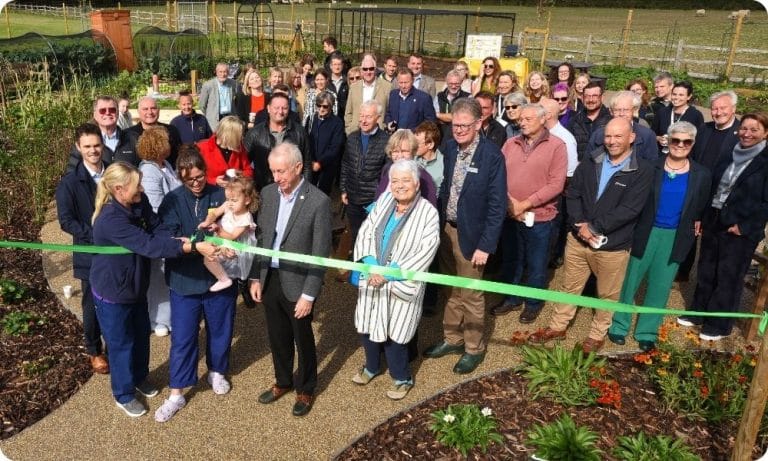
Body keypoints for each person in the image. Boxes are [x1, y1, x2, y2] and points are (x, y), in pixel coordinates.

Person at [90, 161, 217, 418]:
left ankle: (139, 377)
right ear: (118, 190)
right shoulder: (111, 219)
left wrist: (173, 239)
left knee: (140, 335)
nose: (141, 192)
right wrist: (187, 248)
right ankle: (123, 393)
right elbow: (148, 245)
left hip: (136, 285)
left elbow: (156, 226)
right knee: (121, 343)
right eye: (136, 188)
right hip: (113, 290)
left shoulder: (137, 201)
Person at [528, 118, 653, 353]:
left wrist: (594, 227)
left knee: (606, 294)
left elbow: (630, 209)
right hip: (578, 239)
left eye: (618, 136)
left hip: (612, 245)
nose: (612, 141)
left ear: (631, 138)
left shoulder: (643, 170)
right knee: (569, 286)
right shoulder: (592, 159)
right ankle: (558, 326)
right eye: (608, 136)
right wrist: (579, 226)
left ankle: (597, 335)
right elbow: (573, 194)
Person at [608, 121, 711, 352]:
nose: (680, 145)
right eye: (676, 140)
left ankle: (647, 331)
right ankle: (619, 325)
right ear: (668, 141)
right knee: (630, 281)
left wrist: (697, 223)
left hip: (675, 236)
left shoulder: (702, 175)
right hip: (646, 231)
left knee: (660, 286)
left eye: (686, 141)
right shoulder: (649, 167)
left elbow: (700, 207)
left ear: (692, 144)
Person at [154, 146, 238, 422]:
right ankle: (177, 392)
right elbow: (168, 239)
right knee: (183, 338)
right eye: (190, 179)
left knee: (221, 331)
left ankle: (217, 371)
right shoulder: (171, 201)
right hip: (184, 281)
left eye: (200, 176)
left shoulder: (220, 194)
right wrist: (196, 244)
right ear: (180, 176)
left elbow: (238, 226)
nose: (197, 182)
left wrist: (228, 242)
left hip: (219, 280)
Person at [423, 98, 506, 374]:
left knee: (470, 293)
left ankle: (473, 348)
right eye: (455, 125)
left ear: (479, 123)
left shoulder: (492, 156)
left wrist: (486, 245)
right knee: (450, 289)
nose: (458, 130)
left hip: (473, 237)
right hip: (448, 230)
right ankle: (452, 338)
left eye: (464, 126)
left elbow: (497, 206)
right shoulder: (449, 147)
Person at [249, 142, 332, 417]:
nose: (276, 178)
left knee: (303, 339)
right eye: (273, 171)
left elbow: (320, 253)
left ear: (298, 168)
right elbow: (261, 238)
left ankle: (306, 388)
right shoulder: (268, 193)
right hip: (270, 277)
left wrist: (309, 295)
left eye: (281, 172)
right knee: (277, 336)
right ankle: (282, 381)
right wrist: (255, 277)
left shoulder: (319, 201)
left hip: (298, 284)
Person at [351, 159, 440, 400]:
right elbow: (367, 230)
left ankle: (402, 377)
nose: (399, 186)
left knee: (395, 334)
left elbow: (426, 250)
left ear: (416, 183)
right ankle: (371, 366)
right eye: (395, 181)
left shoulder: (427, 213)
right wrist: (369, 264)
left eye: (405, 180)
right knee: (366, 324)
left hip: (400, 283)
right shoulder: (385, 200)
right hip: (372, 277)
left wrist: (388, 274)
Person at [678, 113, 768, 341]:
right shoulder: (731, 153)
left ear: (765, 133)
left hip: (740, 229)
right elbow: (713, 186)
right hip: (715, 219)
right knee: (707, 269)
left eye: (754, 130)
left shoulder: (765, 161)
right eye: (745, 128)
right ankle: (699, 312)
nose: (747, 133)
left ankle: (719, 324)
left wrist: (744, 226)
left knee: (729, 276)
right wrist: (702, 215)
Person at [492, 104, 567, 323]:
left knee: (536, 263)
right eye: (521, 119)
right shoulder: (510, 143)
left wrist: (524, 204)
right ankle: (512, 298)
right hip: (510, 214)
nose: (521, 122)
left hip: (540, 218)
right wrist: (509, 203)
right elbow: (498, 174)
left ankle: (533, 302)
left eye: (527, 119)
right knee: (512, 259)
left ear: (543, 120)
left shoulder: (557, 146)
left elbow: (556, 184)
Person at [56, 123, 110, 374]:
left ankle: (114, 345)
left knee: (116, 301)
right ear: (78, 147)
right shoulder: (69, 182)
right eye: (87, 146)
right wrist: (95, 234)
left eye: (97, 145)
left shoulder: (113, 173)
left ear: (103, 144)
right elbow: (67, 221)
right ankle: (93, 349)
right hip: (90, 252)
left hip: (117, 251)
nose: (93, 150)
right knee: (91, 305)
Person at [678, 91, 741, 282]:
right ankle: (682, 271)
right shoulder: (703, 129)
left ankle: (707, 279)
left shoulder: (741, 134)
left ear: (733, 109)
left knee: (711, 242)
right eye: (714, 108)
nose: (718, 112)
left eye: (723, 108)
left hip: (723, 197)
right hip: (698, 190)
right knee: (689, 231)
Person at [137, 126, 182, 337]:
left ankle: (170, 316)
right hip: (163, 231)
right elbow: (155, 206)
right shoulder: (148, 171)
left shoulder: (165, 166)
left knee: (169, 275)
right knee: (158, 277)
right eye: (166, 141)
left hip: (174, 227)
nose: (170, 145)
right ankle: (158, 319)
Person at [197, 173, 259, 292]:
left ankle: (225, 280)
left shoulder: (246, 218)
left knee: (209, 258)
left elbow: (232, 236)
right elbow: (214, 213)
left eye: (234, 200)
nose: (230, 203)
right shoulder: (228, 205)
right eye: (228, 199)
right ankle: (224, 279)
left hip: (235, 246)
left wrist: (217, 229)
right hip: (222, 239)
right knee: (208, 257)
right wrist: (207, 222)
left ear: (247, 200)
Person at [340, 100, 391, 244]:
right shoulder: (352, 138)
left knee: (371, 236)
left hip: (373, 200)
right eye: (361, 116)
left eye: (368, 116)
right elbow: (345, 164)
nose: (363, 120)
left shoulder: (386, 140)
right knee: (355, 234)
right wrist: (343, 189)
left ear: (377, 117)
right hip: (352, 197)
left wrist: (379, 196)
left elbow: (387, 173)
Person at [244, 93, 311, 191]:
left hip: (292, 188)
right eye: (276, 108)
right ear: (268, 108)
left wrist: (305, 188)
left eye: (284, 108)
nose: (280, 112)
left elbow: (307, 164)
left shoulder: (299, 132)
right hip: (263, 188)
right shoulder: (255, 133)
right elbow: (244, 162)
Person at [587, 91, 659, 162]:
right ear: (611, 112)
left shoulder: (647, 135)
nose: (621, 114)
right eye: (617, 110)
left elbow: (652, 165)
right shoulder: (598, 134)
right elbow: (587, 163)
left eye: (626, 110)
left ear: (634, 111)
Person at [66, 96, 133, 173]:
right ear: (95, 115)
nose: (107, 113)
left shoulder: (131, 139)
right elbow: (72, 173)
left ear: (117, 113)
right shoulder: (85, 142)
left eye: (112, 110)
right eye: (102, 110)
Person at [374, 129, 437, 207]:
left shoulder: (423, 177)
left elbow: (430, 209)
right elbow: (378, 198)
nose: (400, 156)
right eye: (395, 151)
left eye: (404, 151)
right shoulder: (387, 170)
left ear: (413, 152)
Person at [123, 96, 182, 167]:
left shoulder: (171, 131)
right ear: (138, 112)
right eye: (145, 109)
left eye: (153, 108)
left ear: (159, 110)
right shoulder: (128, 134)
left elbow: (179, 158)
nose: (150, 112)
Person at [198, 115, 254, 187]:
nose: (241, 138)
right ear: (228, 135)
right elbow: (194, 176)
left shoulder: (238, 147)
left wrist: (239, 175)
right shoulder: (202, 148)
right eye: (238, 136)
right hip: (211, 192)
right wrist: (214, 181)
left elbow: (248, 171)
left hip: (234, 191)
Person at [307, 90, 345, 194]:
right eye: (319, 105)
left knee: (323, 194)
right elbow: (306, 141)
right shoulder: (311, 119)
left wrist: (320, 162)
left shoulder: (337, 123)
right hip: (310, 164)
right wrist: (309, 160)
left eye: (325, 106)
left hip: (327, 166)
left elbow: (335, 147)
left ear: (331, 106)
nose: (321, 109)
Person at [651, 81, 705, 152]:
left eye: (681, 95)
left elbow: (699, 140)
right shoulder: (662, 112)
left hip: (683, 155)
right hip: (662, 154)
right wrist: (658, 138)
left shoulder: (696, 115)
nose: (676, 97)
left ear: (689, 97)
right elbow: (652, 133)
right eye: (674, 94)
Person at [345, 53, 390, 135]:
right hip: (356, 132)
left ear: (375, 70)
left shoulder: (387, 87)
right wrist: (349, 129)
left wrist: (384, 127)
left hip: (378, 134)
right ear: (361, 71)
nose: (368, 72)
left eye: (371, 69)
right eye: (365, 69)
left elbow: (389, 111)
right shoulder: (354, 87)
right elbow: (348, 112)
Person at [567, 82, 611, 161]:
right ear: (582, 98)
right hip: (580, 168)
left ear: (602, 97)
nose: (590, 100)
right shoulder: (574, 121)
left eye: (594, 96)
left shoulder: (611, 121)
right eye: (587, 96)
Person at [434, 69, 470, 145]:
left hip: (459, 139)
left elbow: (459, 118)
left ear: (461, 82)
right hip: (441, 138)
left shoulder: (468, 98)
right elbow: (433, 117)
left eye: (456, 84)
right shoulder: (439, 96)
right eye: (451, 83)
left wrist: (438, 115)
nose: (453, 86)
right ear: (446, 82)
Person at [199, 63, 238, 131]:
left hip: (229, 117)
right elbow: (202, 105)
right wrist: (211, 114)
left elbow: (238, 100)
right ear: (216, 72)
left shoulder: (234, 84)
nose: (223, 74)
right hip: (215, 119)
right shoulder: (208, 85)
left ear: (228, 73)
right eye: (220, 72)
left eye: (225, 72)